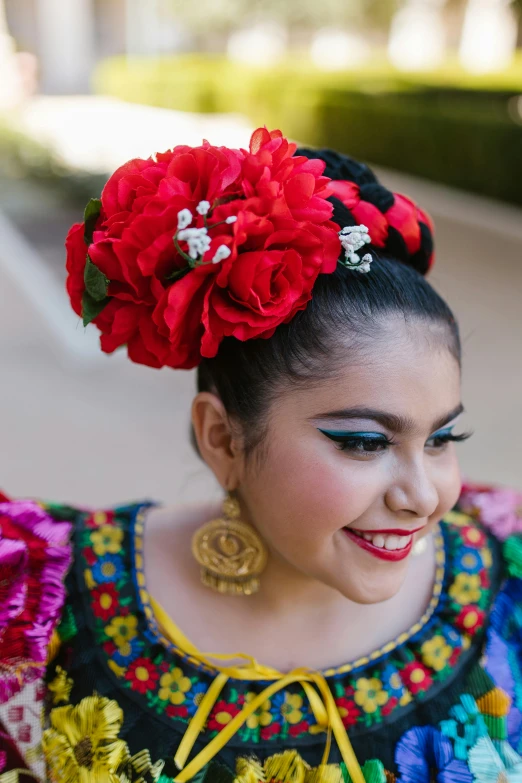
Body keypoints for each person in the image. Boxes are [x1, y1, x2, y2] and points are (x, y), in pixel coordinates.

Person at [1, 127, 522, 783]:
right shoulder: (38, 606)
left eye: (442, 438)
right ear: (222, 438)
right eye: (364, 441)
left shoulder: (508, 577)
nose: (422, 495)